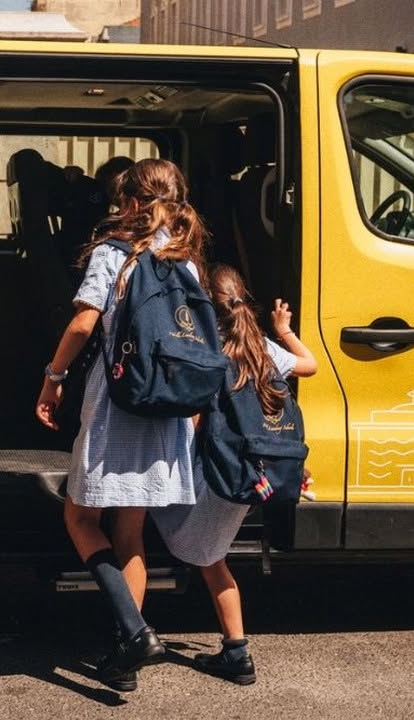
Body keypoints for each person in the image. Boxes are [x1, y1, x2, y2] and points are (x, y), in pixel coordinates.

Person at [35, 158, 209, 691]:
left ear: (130, 203)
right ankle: (126, 655)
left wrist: (53, 376)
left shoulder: (114, 254)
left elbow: (85, 321)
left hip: (118, 404)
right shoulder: (188, 260)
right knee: (130, 531)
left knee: (80, 518)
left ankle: (135, 633)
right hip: (168, 407)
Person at [151, 263, 317, 685]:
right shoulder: (262, 347)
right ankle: (235, 652)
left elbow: (191, 421)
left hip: (215, 476)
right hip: (248, 475)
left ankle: (131, 627)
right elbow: (309, 365)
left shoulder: (206, 351)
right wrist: (283, 330)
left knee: (139, 524)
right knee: (214, 561)